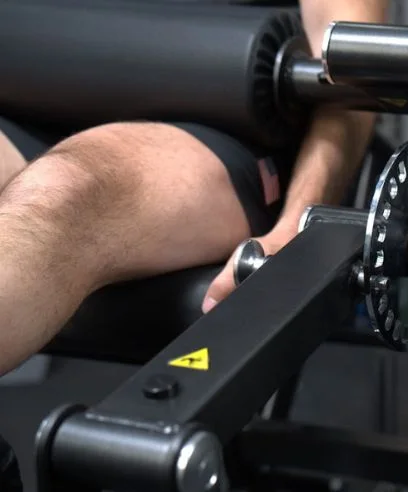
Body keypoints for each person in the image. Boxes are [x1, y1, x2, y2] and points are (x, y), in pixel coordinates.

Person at [0, 0, 388, 375]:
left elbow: (355, 71)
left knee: (60, 195)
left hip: (227, 121)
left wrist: (294, 227)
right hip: (31, 91)